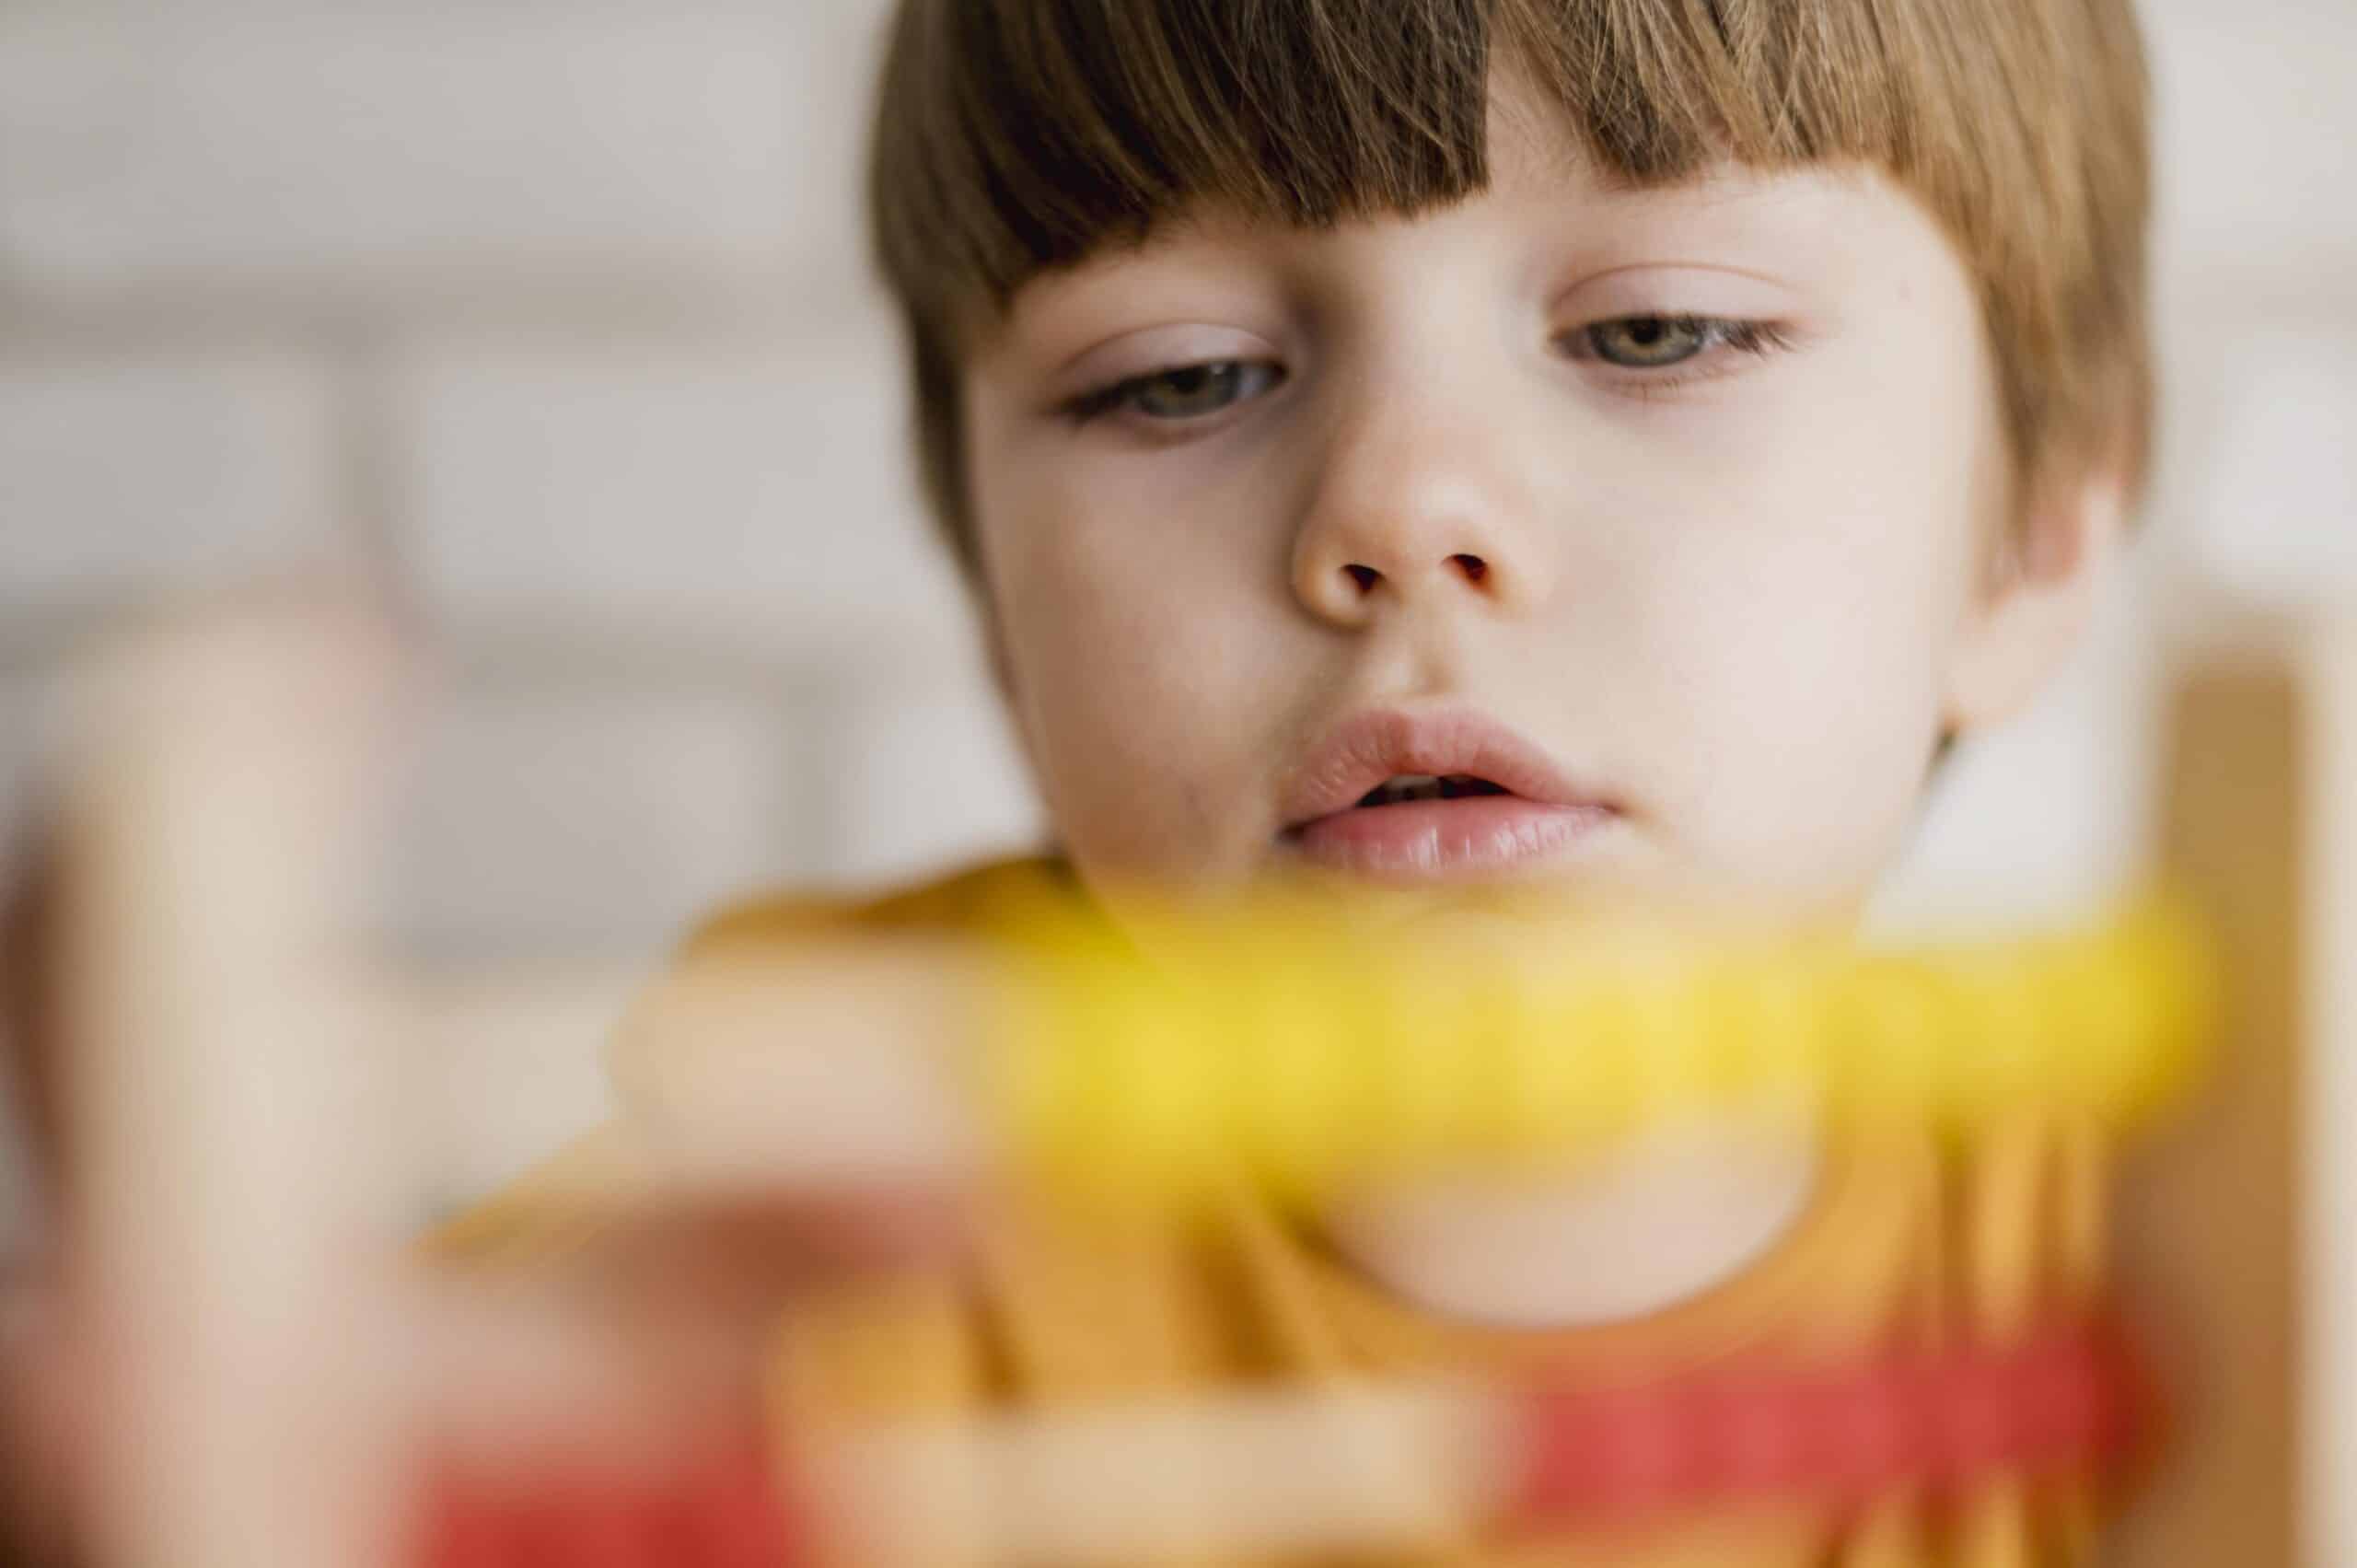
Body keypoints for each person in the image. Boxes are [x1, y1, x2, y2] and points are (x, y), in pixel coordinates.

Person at [435, 0, 2156, 1561]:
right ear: (992, 599)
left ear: (2036, 531)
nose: (1402, 509)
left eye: (1657, 334)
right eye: (1181, 378)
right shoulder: (809, 1217)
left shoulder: (2223, 1283)